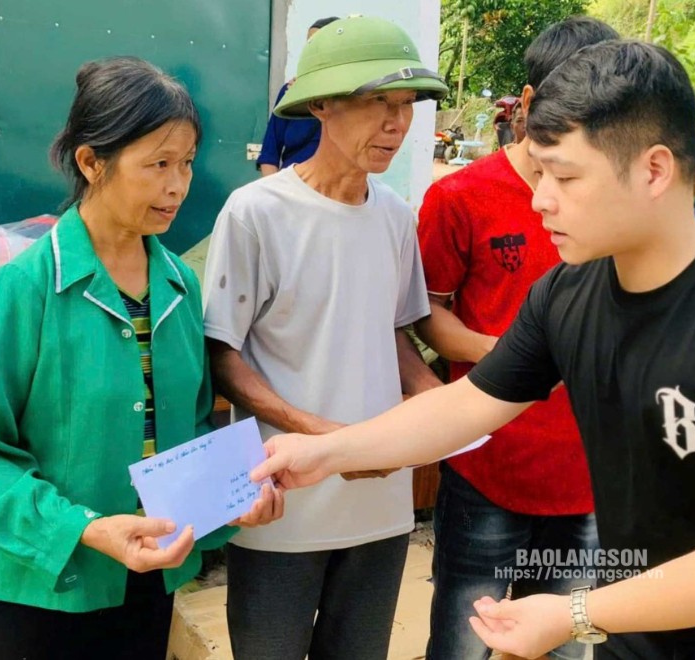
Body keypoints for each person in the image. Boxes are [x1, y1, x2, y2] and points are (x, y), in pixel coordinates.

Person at [250, 41, 695, 659]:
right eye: (538, 173)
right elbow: (468, 404)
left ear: (653, 170)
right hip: (640, 630)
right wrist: (325, 451)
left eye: (565, 176)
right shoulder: (569, 292)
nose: (541, 198)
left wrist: (576, 611)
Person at [0, 57, 281, 659]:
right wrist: (88, 529)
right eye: (157, 165)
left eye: (186, 163)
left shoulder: (178, 286)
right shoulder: (25, 288)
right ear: (91, 162)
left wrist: (234, 498)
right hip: (46, 587)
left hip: (149, 579)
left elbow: (191, 428)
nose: (178, 185)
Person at [203, 16, 447, 660]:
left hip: (381, 499)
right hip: (284, 499)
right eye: (376, 103)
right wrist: (324, 437)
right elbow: (221, 353)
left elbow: (390, 333)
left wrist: (440, 406)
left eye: (405, 106)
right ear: (320, 105)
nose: (396, 124)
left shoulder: (395, 217)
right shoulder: (257, 212)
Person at [415, 16, 619, 660]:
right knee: (463, 642)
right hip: (487, 466)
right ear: (527, 103)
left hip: (588, 474)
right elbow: (428, 318)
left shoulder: (615, 205)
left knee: (561, 645)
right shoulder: (461, 197)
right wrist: (511, 357)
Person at [257, 16, 339, 176]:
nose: (311, 50)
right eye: (309, 43)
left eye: (318, 43)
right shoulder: (290, 92)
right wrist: (277, 195)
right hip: (291, 188)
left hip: (333, 191)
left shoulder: (354, 97)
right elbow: (269, 154)